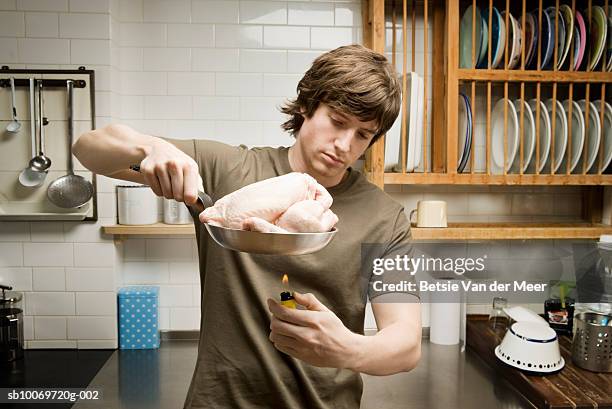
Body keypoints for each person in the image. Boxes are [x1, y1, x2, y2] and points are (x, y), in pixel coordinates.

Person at [73, 44, 421, 409]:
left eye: (363, 135)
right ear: (307, 105)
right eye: (337, 121)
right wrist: (151, 148)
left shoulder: (385, 217)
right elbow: (88, 148)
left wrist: (350, 349)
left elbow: (406, 344)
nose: (345, 145)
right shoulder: (228, 170)